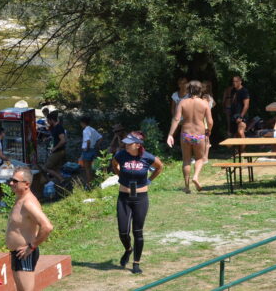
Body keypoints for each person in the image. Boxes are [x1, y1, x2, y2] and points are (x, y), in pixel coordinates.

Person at [112, 132, 164, 275]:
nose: (126, 145)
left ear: (138, 145)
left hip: (140, 197)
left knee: (137, 231)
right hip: (124, 196)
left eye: (129, 143)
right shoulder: (121, 155)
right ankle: (128, 249)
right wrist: (120, 176)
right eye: (126, 143)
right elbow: (114, 164)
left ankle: (136, 263)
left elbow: (159, 167)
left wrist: (149, 180)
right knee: (123, 231)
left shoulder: (147, 157)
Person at [5, 166, 53, 291]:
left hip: (24, 254)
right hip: (18, 253)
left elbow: (47, 226)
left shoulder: (28, 203)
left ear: (26, 184)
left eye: (15, 181)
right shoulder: (20, 198)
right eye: (11, 180)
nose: (11, 183)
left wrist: (32, 246)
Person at [167, 80, 212, 192]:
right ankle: (196, 177)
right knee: (200, 158)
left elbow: (176, 119)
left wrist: (170, 134)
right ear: (200, 90)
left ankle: (187, 187)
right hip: (199, 134)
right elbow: (210, 121)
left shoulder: (182, 102)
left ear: (188, 90)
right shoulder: (204, 103)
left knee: (186, 160)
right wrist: (208, 130)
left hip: (186, 134)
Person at [41, 111, 67, 182]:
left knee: (45, 168)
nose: (47, 122)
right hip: (57, 151)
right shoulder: (54, 127)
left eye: (48, 120)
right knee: (55, 168)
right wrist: (48, 138)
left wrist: (54, 148)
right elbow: (54, 137)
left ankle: (61, 179)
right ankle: (57, 182)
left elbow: (63, 140)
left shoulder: (59, 127)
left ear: (52, 120)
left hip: (58, 151)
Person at [79, 116, 102, 186]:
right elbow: (101, 138)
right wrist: (97, 146)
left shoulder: (85, 130)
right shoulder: (92, 129)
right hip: (94, 150)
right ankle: (96, 181)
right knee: (95, 167)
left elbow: (88, 141)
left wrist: (87, 148)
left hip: (87, 150)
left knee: (87, 168)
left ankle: (89, 183)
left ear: (82, 123)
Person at [230, 76, 250, 146]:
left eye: (236, 81)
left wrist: (241, 117)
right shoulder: (233, 91)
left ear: (240, 82)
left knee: (240, 132)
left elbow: (246, 105)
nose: (234, 83)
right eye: (233, 81)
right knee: (235, 134)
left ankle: (243, 151)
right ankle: (237, 151)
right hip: (233, 115)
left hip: (241, 115)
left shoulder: (244, 91)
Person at [201, 80, 216, 163]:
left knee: (206, 138)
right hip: (205, 119)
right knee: (205, 138)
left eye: (203, 87)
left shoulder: (205, 97)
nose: (201, 88)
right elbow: (214, 104)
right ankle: (203, 157)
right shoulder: (209, 96)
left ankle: (205, 157)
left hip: (205, 120)